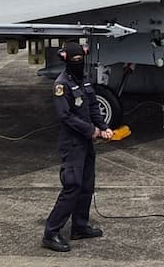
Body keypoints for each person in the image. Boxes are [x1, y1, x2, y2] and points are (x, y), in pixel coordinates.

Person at [42, 42, 113, 251]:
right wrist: (90, 131)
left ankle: (79, 226)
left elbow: (92, 106)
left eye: (80, 60)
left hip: (86, 142)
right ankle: (51, 232)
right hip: (72, 143)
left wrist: (103, 126)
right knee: (72, 186)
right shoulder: (61, 84)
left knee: (86, 184)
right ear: (66, 61)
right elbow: (65, 116)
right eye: (74, 61)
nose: (78, 64)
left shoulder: (84, 81)